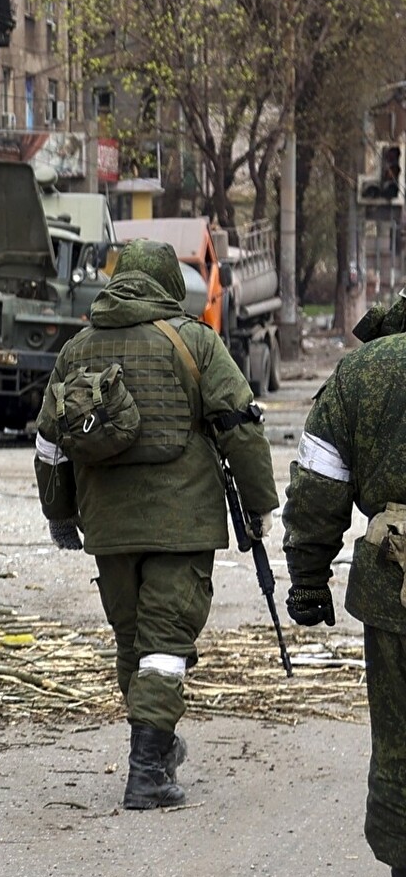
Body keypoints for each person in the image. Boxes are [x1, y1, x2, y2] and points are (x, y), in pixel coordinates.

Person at [34, 238, 276, 810]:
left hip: (108, 526)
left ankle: (156, 747)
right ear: (170, 284)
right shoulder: (195, 341)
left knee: (133, 640)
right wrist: (260, 505)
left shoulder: (77, 350)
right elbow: (240, 426)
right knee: (165, 645)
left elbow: (50, 443)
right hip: (182, 523)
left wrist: (60, 514)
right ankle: (147, 775)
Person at [281, 288, 406, 877]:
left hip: (395, 585)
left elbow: (319, 483)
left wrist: (308, 578)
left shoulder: (362, 373)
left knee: (399, 739)